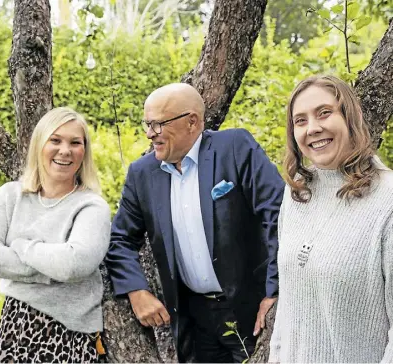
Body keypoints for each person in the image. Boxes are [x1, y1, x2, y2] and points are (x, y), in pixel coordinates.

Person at [106, 83, 284, 362]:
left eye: (158, 124)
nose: (150, 133)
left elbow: (278, 216)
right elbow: (120, 240)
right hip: (193, 322)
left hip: (252, 312)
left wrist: (275, 293)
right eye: (147, 123)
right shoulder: (142, 173)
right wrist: (136, 290)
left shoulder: (235, 147)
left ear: (192, 122)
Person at [0, 107, 111, 363]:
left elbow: (73, 265)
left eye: (75, 143)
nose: (65, 150)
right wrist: (51, 266)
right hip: (16, 325)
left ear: (84, 152)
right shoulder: (11, 196)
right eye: (55, 140)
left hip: (69, 334)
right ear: (39, 145)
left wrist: (22, 246)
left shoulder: (91, 207)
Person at [269, 75, 393, 363]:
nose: (313, 128)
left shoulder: (387, 199)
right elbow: (287, 304)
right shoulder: (297, 192)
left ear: (350, 117)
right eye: (300, 120)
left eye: (324, 113)